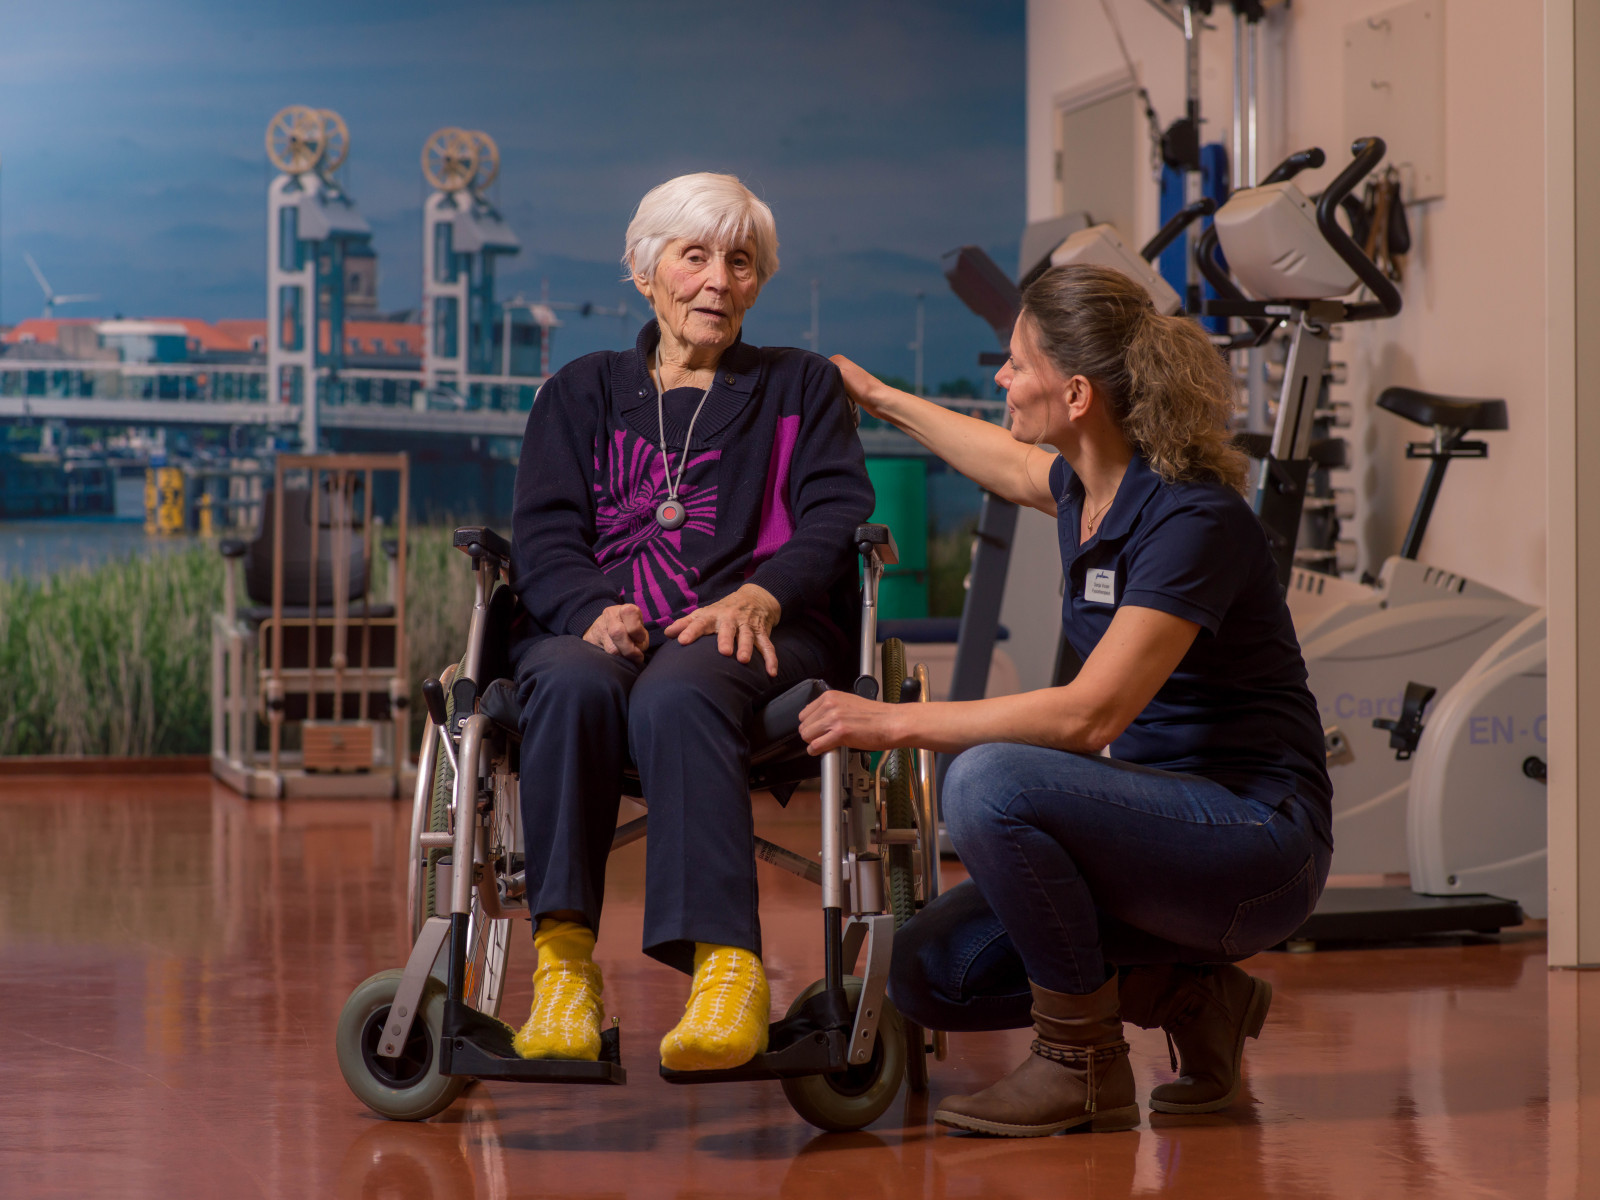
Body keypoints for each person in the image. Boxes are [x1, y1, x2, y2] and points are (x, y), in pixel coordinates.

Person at [800, 264, 1332, 1137]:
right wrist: (878, 397)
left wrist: (894, 722)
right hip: (1158, 830)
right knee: (929, 971)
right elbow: (1008, 462)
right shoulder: (1085, 489)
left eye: (1018, 364)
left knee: (987, 781)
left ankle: (1080, 1066)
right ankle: (1194, 997)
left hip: (1255, 842)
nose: (1003, 379)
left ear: (1076, 394)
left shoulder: (1192, 521)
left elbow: (1092, 718)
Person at [508, 173, 873, 1073]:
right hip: (601, 633)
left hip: (760, 633)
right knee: (565, 679)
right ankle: (562, 972)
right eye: (694, 256)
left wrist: (765, 593)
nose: (717, 280)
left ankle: (728, 972)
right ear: (645, 271)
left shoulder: (799, 385)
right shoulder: (579, 392)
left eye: (739, 262)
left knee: (680, 687)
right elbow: (544, 535)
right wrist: (592, 609)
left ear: (758, 282)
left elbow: (837, 514)